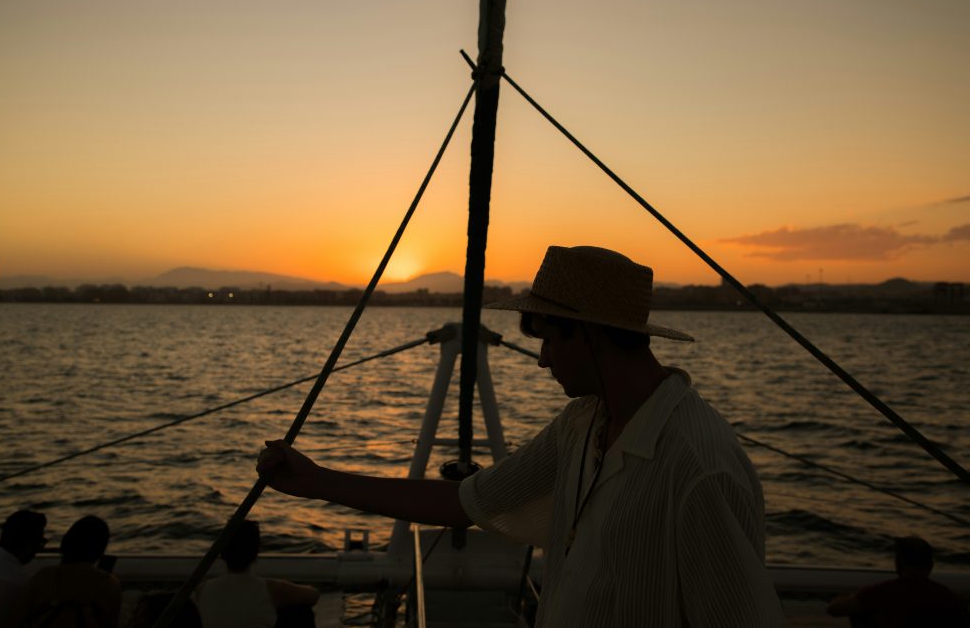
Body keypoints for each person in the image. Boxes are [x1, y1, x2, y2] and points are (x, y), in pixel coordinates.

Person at [258, 245, 785, 626]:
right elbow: (469, 501)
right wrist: (318, 481)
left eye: (549, 339)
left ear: (593, 335)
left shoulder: (699, 467)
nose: (541, 360)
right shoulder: (583, 424)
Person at [193, 519, 318, 628]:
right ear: (255, 553)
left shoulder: (201, 590)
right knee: (302, 612)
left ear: (222, 552)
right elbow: (313, 595)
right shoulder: (271, 589)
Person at [6, 515, 122, 628]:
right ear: (100, 551)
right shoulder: (109, 584)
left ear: (66, 542)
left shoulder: (44, 577)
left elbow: (14, 621)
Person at [827, 536, 969, 627]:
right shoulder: (952, 599)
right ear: (930, 566)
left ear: (899, 564)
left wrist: (850, 596)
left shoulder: (884, 592)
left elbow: (834, 609)